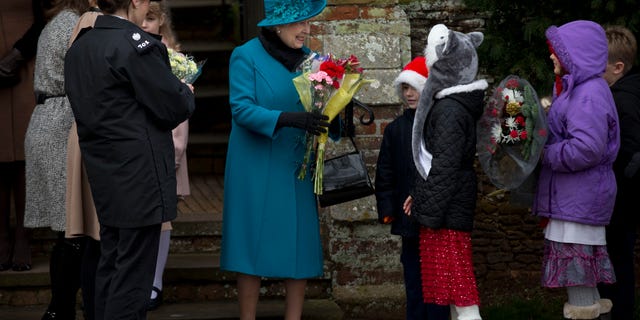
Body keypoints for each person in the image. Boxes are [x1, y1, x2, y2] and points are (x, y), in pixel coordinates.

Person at [64, 0, 195, 318]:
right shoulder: (135, 46)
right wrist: (185, 92)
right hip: (141, 176)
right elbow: (173, 107)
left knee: (111, 265)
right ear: (135, 1)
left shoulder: (82, 45)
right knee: (133, 280)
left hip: (105, 172)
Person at [220, 0, 333, 318]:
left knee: (299, 243)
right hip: (253, 164)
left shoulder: (313, 61)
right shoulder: (245, 55)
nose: (306, 29)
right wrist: (287, 118)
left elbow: (323, 110)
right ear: (277, 25)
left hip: (295, 161)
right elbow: (241, 109)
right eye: (299, 23)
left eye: (308, 22)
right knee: (250, 242)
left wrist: (338, 111)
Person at [534, 20, 618, 320]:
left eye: (557, 51)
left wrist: (544, 153)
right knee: (583, 283)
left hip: (579, 200)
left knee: (579, 282)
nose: (552, 56)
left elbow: (587, 149)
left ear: (575, 54)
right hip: (576, 198)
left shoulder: (588, 93)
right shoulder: (578, 88)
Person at [403, 24, 487, 320]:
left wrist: (426, 207)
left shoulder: (450, 110)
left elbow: (445, 168)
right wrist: (420, 193)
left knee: (462, 295)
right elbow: (437, 164)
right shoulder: (451, 105)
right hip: (446, 207)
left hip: (448, 211)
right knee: (453, 293)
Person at [22, 1, 89, 319]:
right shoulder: (74, 26)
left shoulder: (59, 21)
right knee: (71, 228)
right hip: (61, 124)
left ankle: (60, 308)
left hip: (46, 120)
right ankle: (59, 309)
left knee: (68, 228)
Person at [375, 56, 450, 320]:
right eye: (404, 88)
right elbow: (385, 173)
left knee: (438, 284)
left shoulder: (440, 125)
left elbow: (446, 168)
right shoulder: (395, 130)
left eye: (414, 87)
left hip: (437, 220)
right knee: (414, 282)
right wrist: (388, 209)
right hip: (408, 221)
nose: (409, 94)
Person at [140, 0, 191, 310]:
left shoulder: (173, 59)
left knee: (163, 220)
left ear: (162, 22)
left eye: (151, 18)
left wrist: (172, 156)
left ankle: (155, 281)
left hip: (167, 150)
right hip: (140, 152)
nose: (145, 24)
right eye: (142, 18)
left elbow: (179, 119)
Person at [597, 25, 640, 320]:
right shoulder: (632, 90)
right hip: (625, 197)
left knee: (618, 261)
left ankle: (619, 312)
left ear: (618, 67)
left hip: (621, 198)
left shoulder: (621, 100)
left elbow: (631, 151)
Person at [0, 0, 46, 274]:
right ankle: (1, 236)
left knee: (25, 156)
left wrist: (16, 56)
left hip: (25, 65)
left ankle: (22, 237)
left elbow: (47, 17)